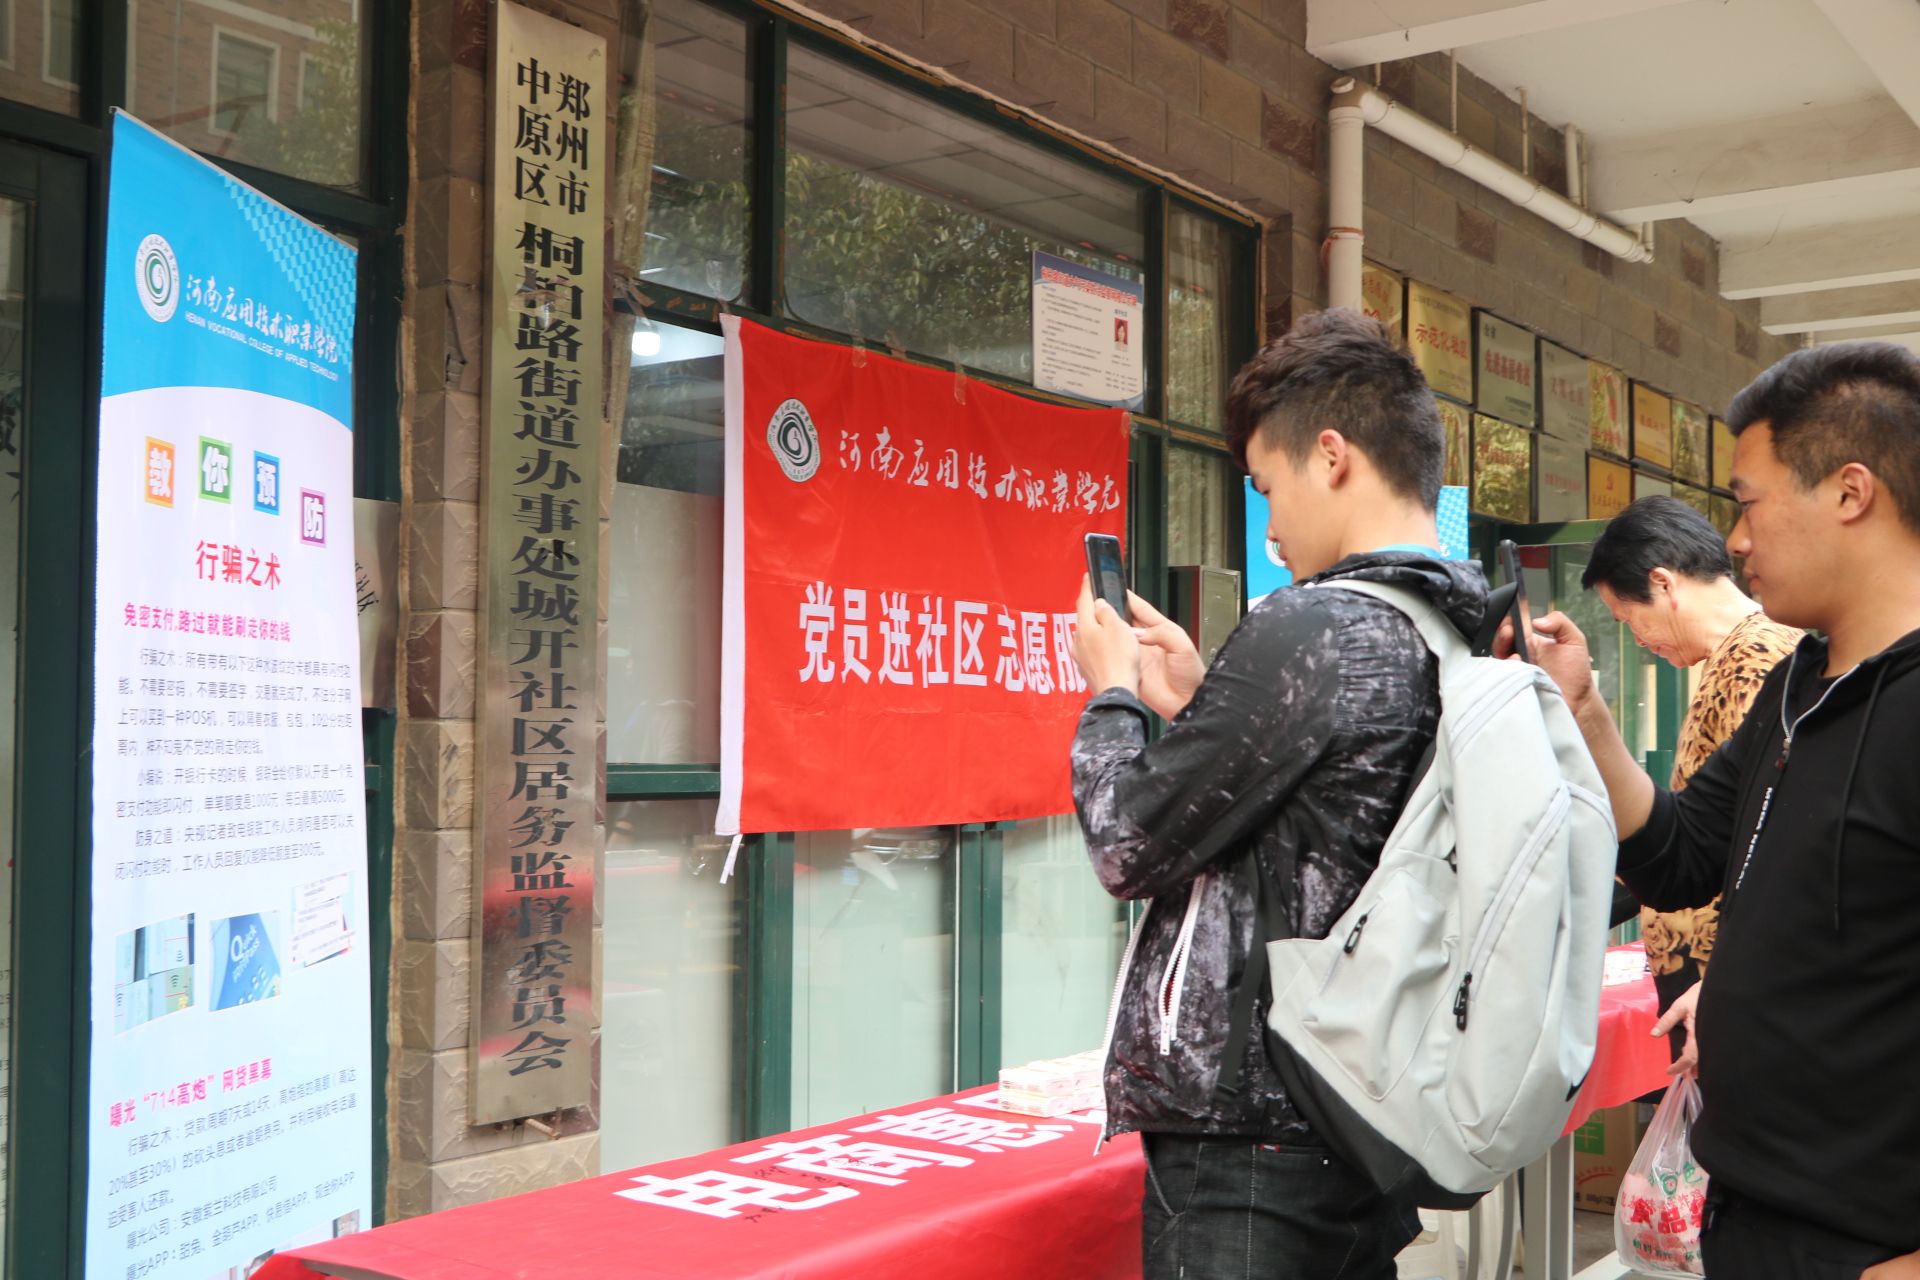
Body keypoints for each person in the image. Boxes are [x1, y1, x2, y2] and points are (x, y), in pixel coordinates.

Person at [1069, 309, 1487, 1280]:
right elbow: (1329, 815)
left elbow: (1125, 841)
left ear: (1331, 456)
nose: (1270, 527)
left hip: (1252, 1134)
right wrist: (1203, 698)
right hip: (1364, 1101)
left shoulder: (1312, 626)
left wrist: (1113, 693)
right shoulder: (1451, 627)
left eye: (1267, 487)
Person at [1512, 342, 1920, 1279]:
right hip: (1745, 1208)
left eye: (1748, 502)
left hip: (1866, 1240)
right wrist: (1584, 710)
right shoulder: (1796, 684)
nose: (1733, 541)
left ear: (1850, 492)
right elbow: (1683, 854)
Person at [1579, 495, 1802, 1069]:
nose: (1637, 640)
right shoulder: (1739, 655)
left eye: (1629, 619)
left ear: (1663, 583)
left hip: (1721, 987)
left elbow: (1769, 850)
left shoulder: (1755, 662)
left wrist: (1723, 980)